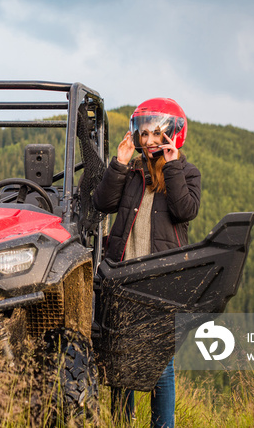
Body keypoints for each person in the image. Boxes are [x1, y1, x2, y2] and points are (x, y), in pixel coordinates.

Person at [93, 97, 201, 427]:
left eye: (157, 133)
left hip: (160, 278)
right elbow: (102, 202)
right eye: (144, 133)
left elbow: (186, 210)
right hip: (123, 276)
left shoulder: (186, 172)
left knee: (160, 362)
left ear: (173, 134)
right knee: (120, 353)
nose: (149, 140)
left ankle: (162, 425)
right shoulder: (132, 172)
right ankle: (121, 422)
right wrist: (119, 164)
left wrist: (172, 165)